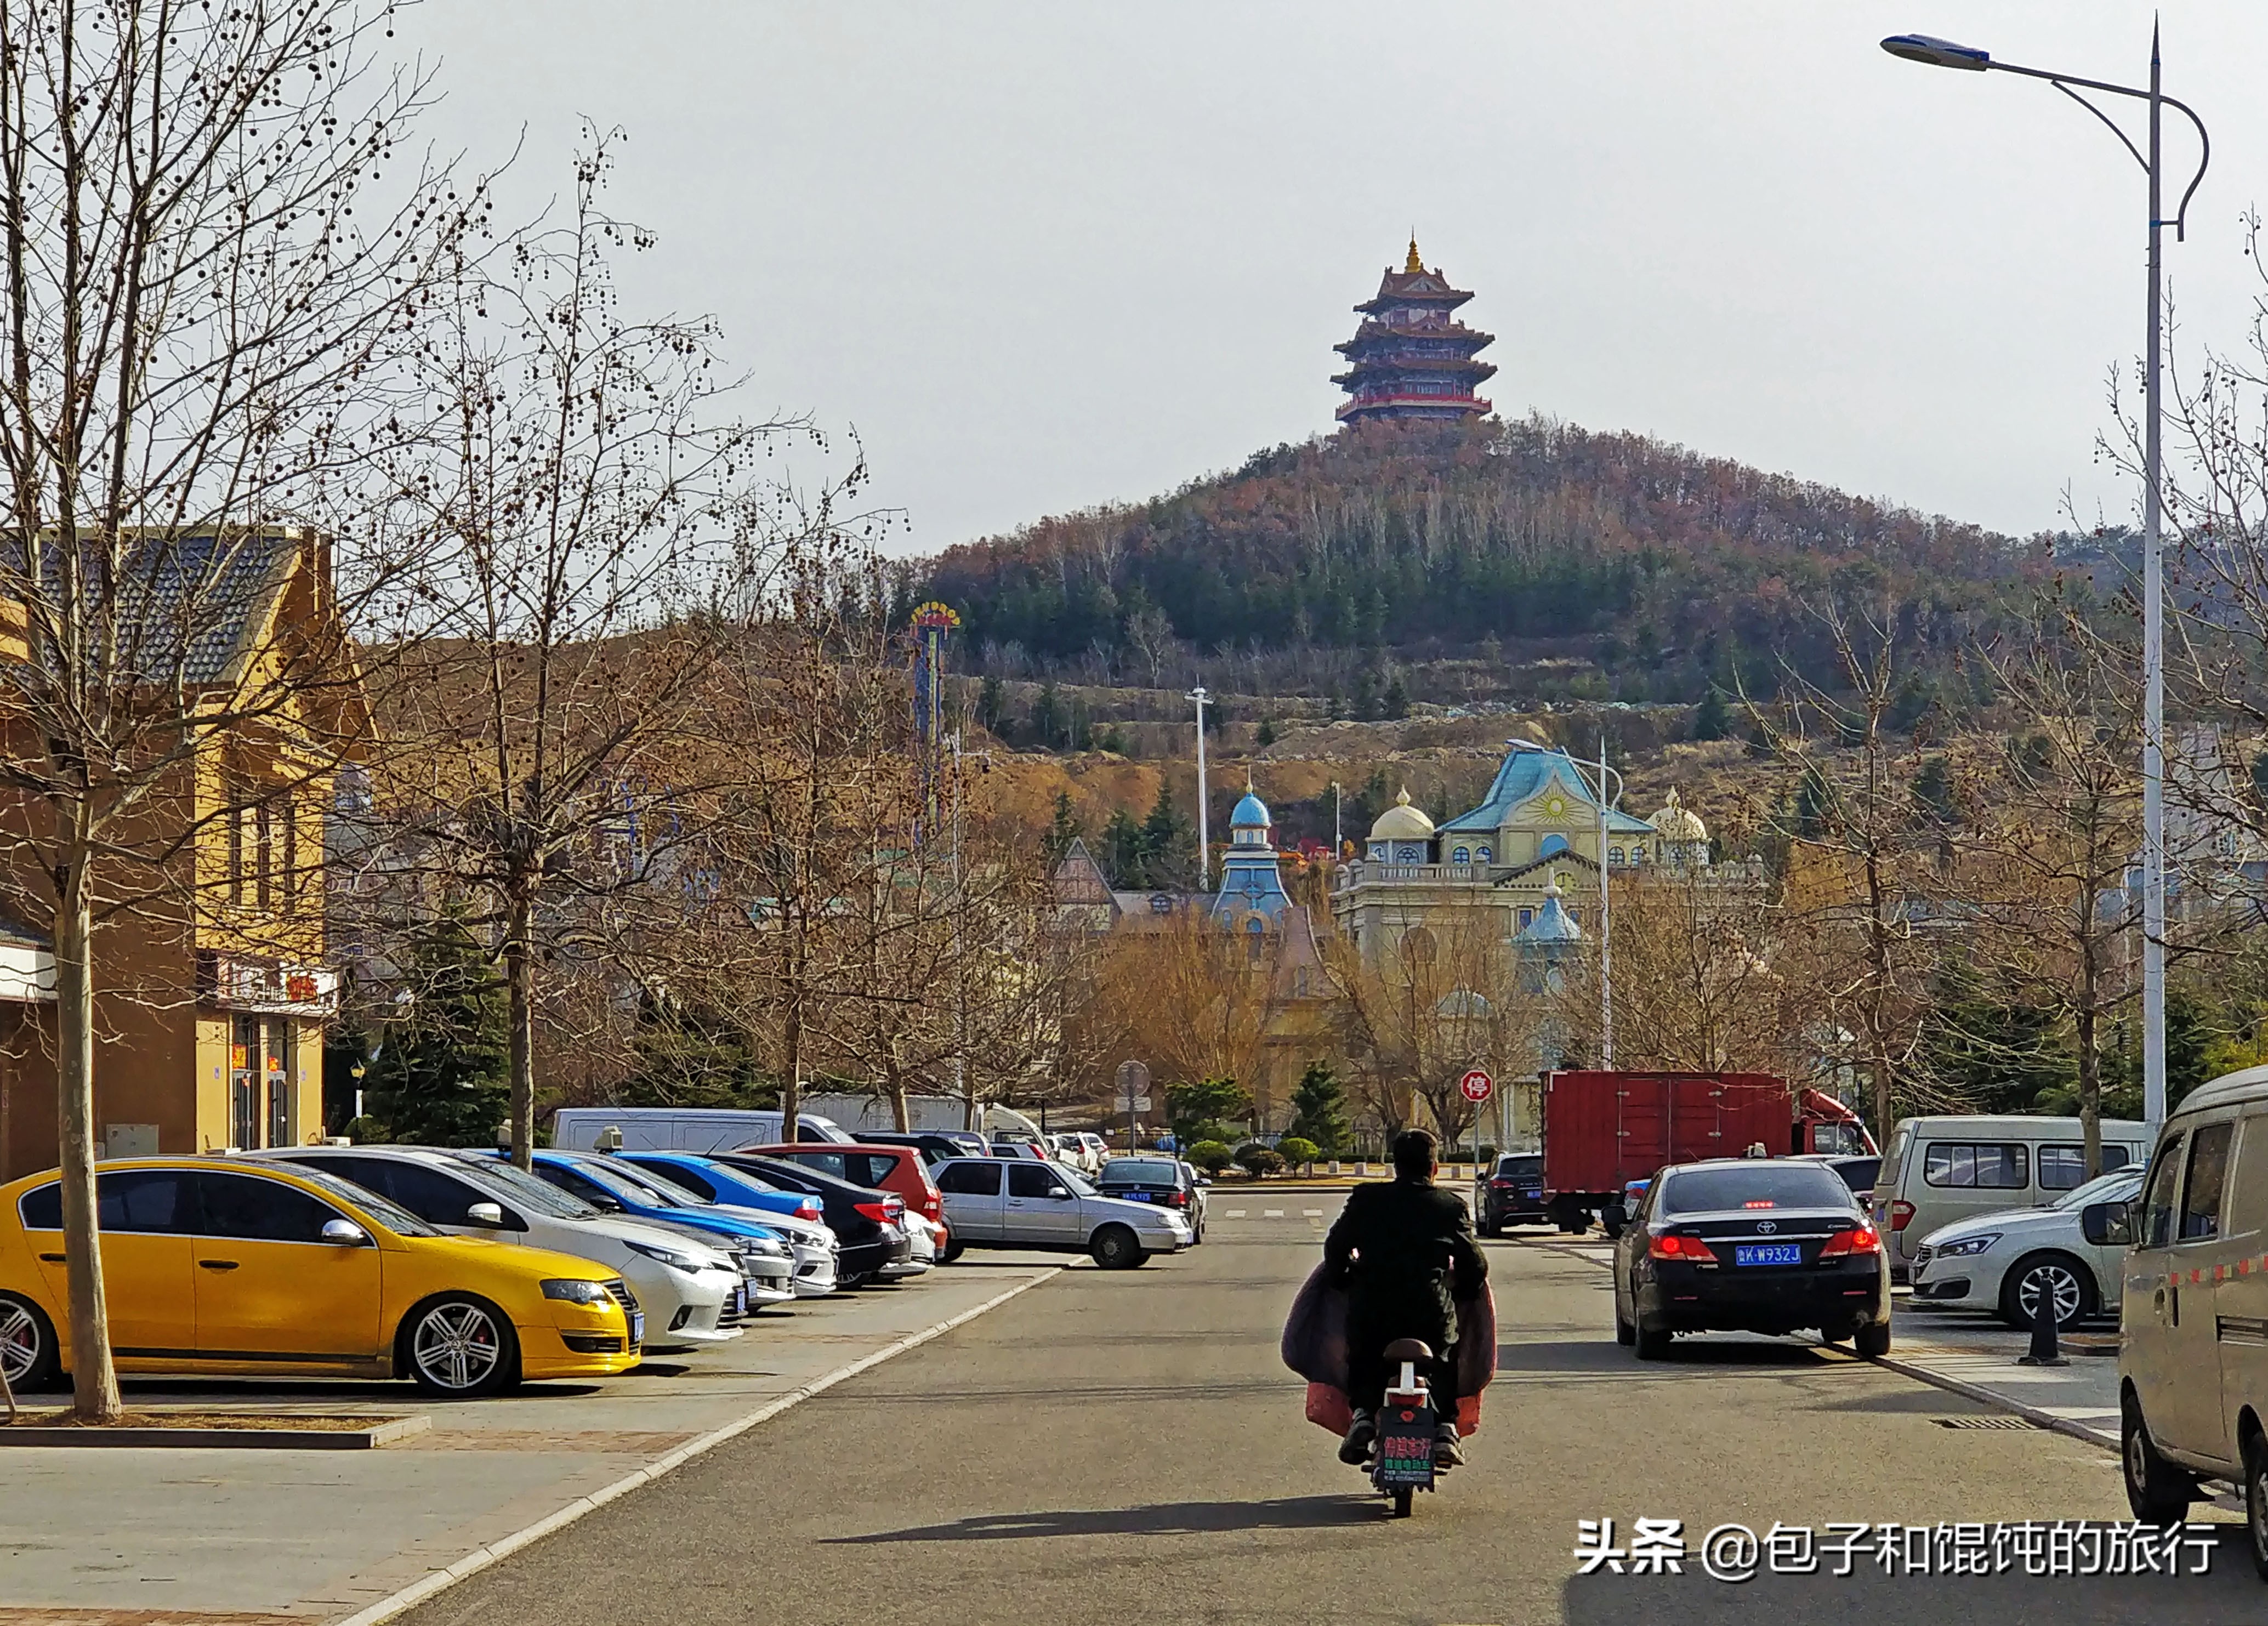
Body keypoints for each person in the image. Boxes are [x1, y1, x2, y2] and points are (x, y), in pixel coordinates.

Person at [1323, 1128, 1488, 1468]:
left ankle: (1364, 1416)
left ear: (1394, 1165)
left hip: (1372, 1307)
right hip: (1429, 1310)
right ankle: (1444, 1429)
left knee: (1364, 1356)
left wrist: (1342, 1279)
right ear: (1435, 1168)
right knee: (1444, 1357)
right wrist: (1464, 1288)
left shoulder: (1366, 1200)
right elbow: (1474, 1264)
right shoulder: (1449, 1206)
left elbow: (1336, 1248)